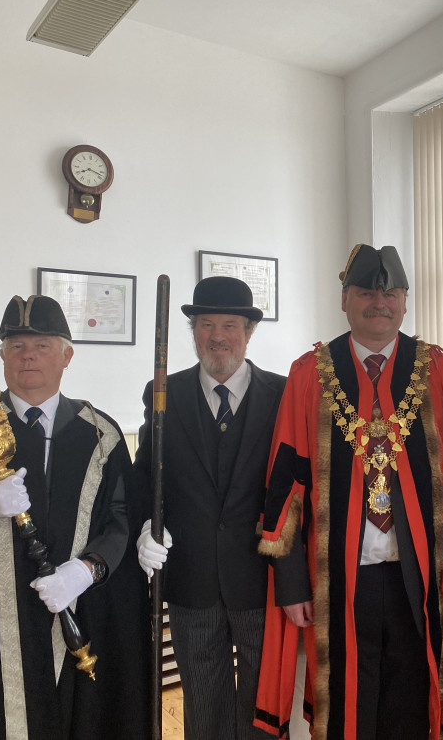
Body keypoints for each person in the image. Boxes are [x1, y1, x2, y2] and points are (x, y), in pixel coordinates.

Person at [254, 244, 443, 740]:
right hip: (335, 575)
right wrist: (291, 584)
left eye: (390, 292)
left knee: (411, 698)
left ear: (404, 301)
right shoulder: (310, 372)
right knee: (347, 701)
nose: (379, 301)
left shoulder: (438, 370)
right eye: (366, 292)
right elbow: (286, 481)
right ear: (345, 299)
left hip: (420, 576)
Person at [0, 294, 150, 739]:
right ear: (1, 355)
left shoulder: (101, 434)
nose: (28, 356)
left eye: (42, 345)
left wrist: (88, 569)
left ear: (67, 355)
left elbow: (121, 518)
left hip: (80, 610)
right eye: (16, 345)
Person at [133, 276, 291, 740]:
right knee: (203, 703)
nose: (217, 336)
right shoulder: (165, 392)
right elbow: (147, 473)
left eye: (229, 325)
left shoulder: (283, 395)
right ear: (194, 330)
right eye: (206, 324)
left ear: (249, 331)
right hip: (191, 579)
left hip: (262, 580)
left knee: (264, 707)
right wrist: (147, 526)